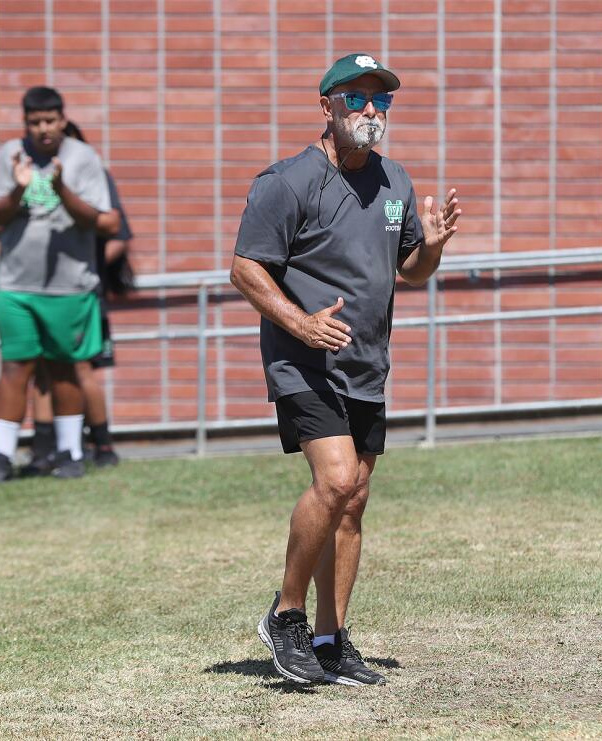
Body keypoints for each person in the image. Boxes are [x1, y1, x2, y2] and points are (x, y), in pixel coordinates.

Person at [230, 53, 461, 685]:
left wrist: (432, 251)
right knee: (334, 481)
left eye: (380, 101)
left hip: (366, 363)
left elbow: (407, 271)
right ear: (326, 105)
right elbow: (246, 268)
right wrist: (299, 323)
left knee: (353, 501)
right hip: (304, 357)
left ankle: (331, 641)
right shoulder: (287, 181)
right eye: (356, 99)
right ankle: (286, 616)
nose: (370, 111)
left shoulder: (396, 182)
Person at [0, 86, 117, 485]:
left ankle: (71, 452)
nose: (43, 129)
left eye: (50, 121)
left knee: (63, 371)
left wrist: (61, 190)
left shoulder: (83, 157)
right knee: (14, 368)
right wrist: (19, 188)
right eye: (35, 122)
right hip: (17, 286)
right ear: (25, 122)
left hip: (69, 287)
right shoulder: (10, 155)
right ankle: (1, 457)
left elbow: (104, 221)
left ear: (62, 119)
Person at [22, 121, 132, 475]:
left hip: (81, 291)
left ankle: (102, 444)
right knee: (43, 367)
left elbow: (118, 233)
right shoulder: (34, 176)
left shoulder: (93, 175)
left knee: (82, 368)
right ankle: (45, 449)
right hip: (43, 291)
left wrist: (91, 269)